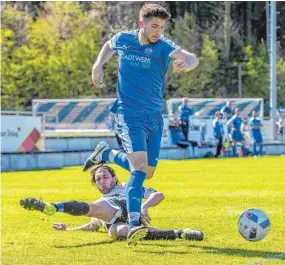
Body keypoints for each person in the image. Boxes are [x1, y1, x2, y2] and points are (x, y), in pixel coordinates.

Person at [87, 4, 199, 245]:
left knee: (147, 173)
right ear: (142, 24)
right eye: (154, 26)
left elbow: (191, 57)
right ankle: (135, 222)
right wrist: (98, 65)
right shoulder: (124, 40)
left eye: (161, 26)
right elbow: (108, 46)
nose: (158, 31)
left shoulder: (163, 46)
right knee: (138, 168)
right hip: (129, 116)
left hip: (154, 118)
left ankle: (107, 153)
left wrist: (188, 63)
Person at [20, 164, 203, 243]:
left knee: (95, 207)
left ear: (115, 179)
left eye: (105, 177)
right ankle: (180, 234)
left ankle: (56, 206)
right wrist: (68, 230)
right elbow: (91, 226)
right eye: (98, 180)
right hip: (114, 221)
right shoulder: (101, 201)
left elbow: (159, 195)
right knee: (117, 231)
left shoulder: (128, 187)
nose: (102, 182)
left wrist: (144, 207)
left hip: (126, 208)